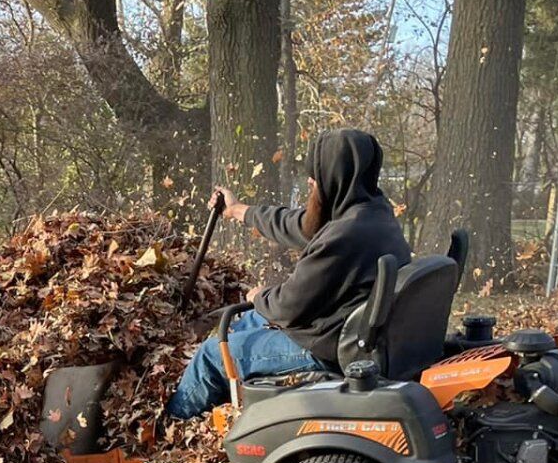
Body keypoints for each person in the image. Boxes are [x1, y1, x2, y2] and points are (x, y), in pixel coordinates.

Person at [166, 128, 411, 420]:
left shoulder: (344, 235)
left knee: (212, 354)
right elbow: (301, 225)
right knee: (249, 320)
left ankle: (172, 429)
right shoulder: (369, 211)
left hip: (327, 349)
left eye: (316, 174)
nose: (309, 180)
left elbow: (288, 306)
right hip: (339, 327)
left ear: (334, 174)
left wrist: (259, 296)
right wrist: (238, 210)